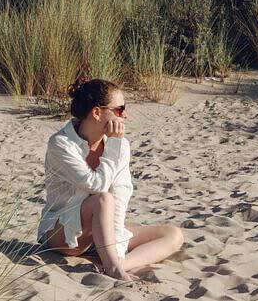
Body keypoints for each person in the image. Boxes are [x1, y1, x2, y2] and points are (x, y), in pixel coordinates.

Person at [37, 79, 184, 281]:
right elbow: (97, 186)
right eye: (119, 110)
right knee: (102, 199)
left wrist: (116, 249)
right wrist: (115, 143)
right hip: (61, 234)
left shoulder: (119, 146)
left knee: (173, 234)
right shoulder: (61, 144)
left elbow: (120, 195)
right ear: (97, 113)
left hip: (98, 234)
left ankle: (118, 264)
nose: (125, 115)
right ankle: (113, 268)